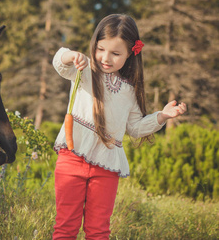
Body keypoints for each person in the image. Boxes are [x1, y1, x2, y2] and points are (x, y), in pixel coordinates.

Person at [52, 14, 187, 240]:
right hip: (72, 158)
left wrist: (162, 116)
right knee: (66, 227)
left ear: (130, 54)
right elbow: (58, 61)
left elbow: (134, 127)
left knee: (99, 231)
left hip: (106, 167)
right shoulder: (83, 70)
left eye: (115, 53)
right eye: (101, 49)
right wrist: (71, 55)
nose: (106, 58)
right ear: (94, 45)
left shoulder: (129, 91)